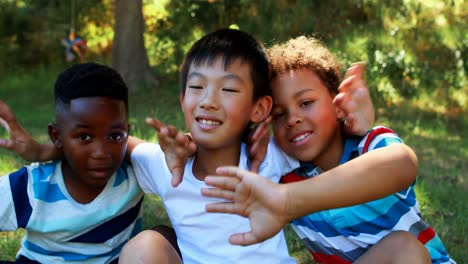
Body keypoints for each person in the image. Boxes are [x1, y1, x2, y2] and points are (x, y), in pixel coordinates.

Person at [202, 36, 455, 263]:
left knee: (404, 248)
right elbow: (230, 147)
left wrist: (288, 200)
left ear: (338, 104)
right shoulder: (284, 172)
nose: (292, 119)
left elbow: (402, 163)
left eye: (306, 103)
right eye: (279, 114)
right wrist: (192, 143)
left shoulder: (369, 145)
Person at [0, 63, 144, 263]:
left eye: (115, 136)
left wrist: (43, 151)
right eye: (84, 136)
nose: (101, 153)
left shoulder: (134, 174)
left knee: (162, 236)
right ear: (56, 136)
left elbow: (160, 157)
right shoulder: (32, 187)